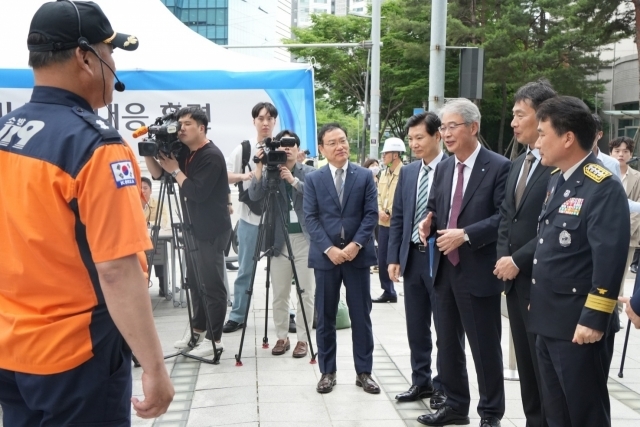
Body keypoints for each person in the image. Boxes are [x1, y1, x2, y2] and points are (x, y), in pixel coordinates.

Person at [0, 2, 174, 424]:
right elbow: (116, 268)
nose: (114, 66)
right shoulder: (96, 147)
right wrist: (154, 367)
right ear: (84, 57)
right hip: (75, 358)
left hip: (11, 350)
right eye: (110, 53)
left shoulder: (7, 134)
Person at [530, 96, 629, 426]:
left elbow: (609, 259)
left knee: (584, 414)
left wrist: (594, 318)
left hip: (578, 324)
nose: (537, 141)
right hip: (550, 319)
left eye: (543, 133)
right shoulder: (558, 179)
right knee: (557, 413)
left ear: (567, 137)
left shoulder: (602, 186)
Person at [418, 99, 510, 427]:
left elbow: (505, 217)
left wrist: (466, 234)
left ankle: (491, 414)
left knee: (484, 347)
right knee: (448, 345)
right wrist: (428, 223)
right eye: (442, 127)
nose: (445, 133)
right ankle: (455, 406)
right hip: (445, 269)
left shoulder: (499, 166)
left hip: (479, 270)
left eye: (452, 126)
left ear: (473, 127)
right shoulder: (443, 167)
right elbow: (435, 207)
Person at [494, 79, 557, 427]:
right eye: (514, 116)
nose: (515, 123)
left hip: (543, 280)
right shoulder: (518, 164)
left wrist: (517, 260)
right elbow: (507, 216)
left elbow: (553, 227)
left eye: (521, 115)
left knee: (546, 366)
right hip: (515, 282)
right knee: (528, 369)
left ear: (544, 116)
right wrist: (505, 259)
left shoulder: (558, 165)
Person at [145, 106, 232, 358]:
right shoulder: (184, 152)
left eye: (187, 124)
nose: (181, 128)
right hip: (193, 227)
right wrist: (151, 153)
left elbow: (196, 192)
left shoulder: (211, 155)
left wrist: (175, 169)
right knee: (194, 282)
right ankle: (197, 332)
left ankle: (215, 340)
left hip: (212, 229)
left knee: (212, 285)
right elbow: (159, 174)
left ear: (201, 128)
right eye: (179, 124)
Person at [304, 123, 379, 394]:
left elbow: (371, 214)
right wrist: (330, 249)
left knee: (362, 315)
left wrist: (357, 244)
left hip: (357, 257)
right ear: (322, 149)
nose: (340, 146)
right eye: (333, 142)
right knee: (325, 317)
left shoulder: (364, 176)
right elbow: (310, 218)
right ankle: (327, 372)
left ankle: (364, 372)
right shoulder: (313, 179)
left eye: (343, 141)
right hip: (327, 259)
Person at [387, 112, 445, 406]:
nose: (414, 144)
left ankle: (444, 386)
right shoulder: (409, 172)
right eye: (411, 139)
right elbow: (399, 216)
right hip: (413, 259)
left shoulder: (451, 168)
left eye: (419, 137)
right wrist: (394, 257)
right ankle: (420, 381)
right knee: (416, 326)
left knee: (446, 329)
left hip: (442, 261)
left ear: (437, 135)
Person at [249, 130, 316, 357]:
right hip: (278, 239)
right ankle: (281, 337)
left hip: (304, 239)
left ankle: (303, 339)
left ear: (298, 150)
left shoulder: (309, 173)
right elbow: (255, 195)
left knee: (306, 291)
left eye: (291, 144)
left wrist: (294, 181)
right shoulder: (270, 173)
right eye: (283, 145)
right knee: (280, 291)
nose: (287, 148)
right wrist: (259, 166)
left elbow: (320, 198)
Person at [224, 102, 278, 333]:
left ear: (275, 121)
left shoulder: (282, 146)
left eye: (269, 118)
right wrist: (247, 174)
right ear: (254, 121)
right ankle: (237, 316)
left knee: (282, 271)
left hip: (277, 219)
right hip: (249, 218)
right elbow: (224, 174)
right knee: (245, 269)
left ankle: (287, 315)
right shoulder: (244, 149)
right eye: (261, 118)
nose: (265, 123)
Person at [610, 136, 640, 318]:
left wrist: (625, 232)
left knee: (620, 275)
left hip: (627, 235)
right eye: (617, 151)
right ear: (611, 152)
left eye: (625, 151)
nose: (621, 155)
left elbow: (637, 209)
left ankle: (616, 311)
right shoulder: (604, 172)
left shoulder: (637, 177)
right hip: (603, 233)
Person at [373, 137, 405, 303]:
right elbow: (378, 194)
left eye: (386, 153)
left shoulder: (405, 173)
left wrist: (390, 212)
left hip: (397, 223)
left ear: (395, 154)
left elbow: (403, 198)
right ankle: (388, 291)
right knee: (383, 257)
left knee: (399, 256)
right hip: (382, 223)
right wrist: (379, 210)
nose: (383, 156)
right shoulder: (383, 173)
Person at [141, 176, 171, 297]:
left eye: (145, 188)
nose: (142, 190)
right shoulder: (130, 204)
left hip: (153, 240)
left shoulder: (158, 204)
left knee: (159, 248)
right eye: (139, 188)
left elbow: (163, 223)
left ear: (151, 190)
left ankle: (163, 285)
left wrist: (148, 224)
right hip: (137, 243)